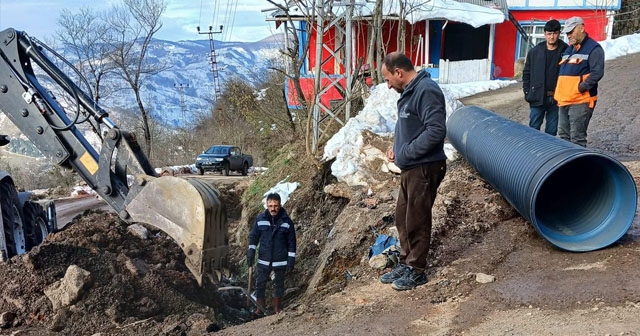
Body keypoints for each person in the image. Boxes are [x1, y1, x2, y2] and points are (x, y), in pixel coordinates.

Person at [380, 52, 447, 291]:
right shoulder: (409, 92)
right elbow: (408, 125)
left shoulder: (426, 90)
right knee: (403, 217)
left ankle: (417, 270)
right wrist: (396, 147)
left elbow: (436, 131)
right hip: (411, 166)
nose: (388, 86)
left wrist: (405, 152)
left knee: (417, 219)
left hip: (425, 166)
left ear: (399, 72)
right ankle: (406, 261)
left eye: (388, 79)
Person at [554, 16, 605, 147]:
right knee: (563, 137)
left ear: (581, 28)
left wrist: (580, 88)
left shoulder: (594, 49)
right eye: (567, 32)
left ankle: (579, 167)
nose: (568, 35)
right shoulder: (569, 49)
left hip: (580, 101)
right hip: (564, 100)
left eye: (571, 31)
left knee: (577, 139)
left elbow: (597, 73)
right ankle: (567, 166)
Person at [246, 193, 296, 316]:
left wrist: (291, 259)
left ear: (280, 205)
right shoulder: (260, 220)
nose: (273, 208)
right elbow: (253, 237)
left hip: (280, 260)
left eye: (276, 206)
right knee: (260, 284)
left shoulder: (287, 222)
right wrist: (251, 251)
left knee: (278, 284)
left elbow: (292, 242)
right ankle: (259, 309)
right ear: (267, 205)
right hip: (264, 259)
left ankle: (276, 308)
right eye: (270, 206)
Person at [522, 19, 568, 136]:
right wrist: (528, 92)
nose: (552, 37)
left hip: (556, 99)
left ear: (559, 33)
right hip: (537, 97)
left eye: (555, 33)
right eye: (549, 34)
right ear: (545, 34)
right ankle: (532, 152)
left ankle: (548, 154)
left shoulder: (566, 51)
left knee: (551, 132)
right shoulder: (535, 52)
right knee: (533, 130)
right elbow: (526, 73)